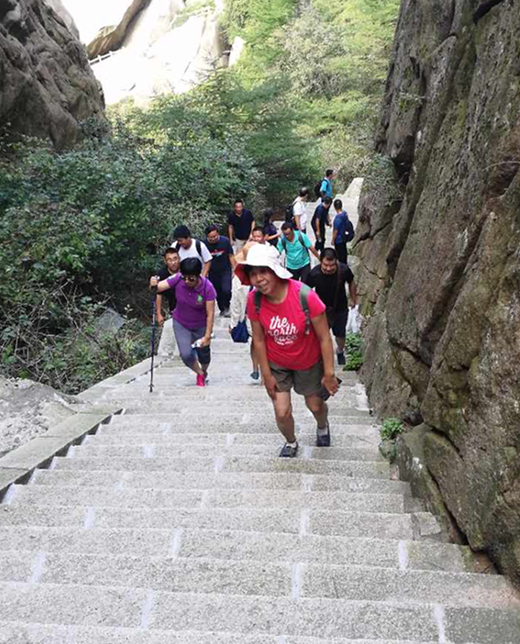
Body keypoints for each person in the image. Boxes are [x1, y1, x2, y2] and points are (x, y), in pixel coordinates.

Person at [235, 244, 339, 457]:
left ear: (275, 270)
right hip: (277, 363)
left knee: (315, 405)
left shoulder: (305, 296)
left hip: (307, 361)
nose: (258, 279)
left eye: (263, 271)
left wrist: (329, 373)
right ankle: (291, 442)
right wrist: (266, 374)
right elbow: (259, 340)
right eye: (253, 273)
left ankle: (322, 425)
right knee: (282, 412)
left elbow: (324, 338)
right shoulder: (254, 300)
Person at [150, 258, 216, 387]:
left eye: (191, 279)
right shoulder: (178, 278)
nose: (186, 281)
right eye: (185, 278)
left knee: (204, 354)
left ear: (198, 276)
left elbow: (210, 314)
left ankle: (204, 370)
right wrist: (153, 283)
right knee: (185, 354)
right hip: (181, 322)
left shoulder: (207, 288)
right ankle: (199, 373)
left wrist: (207, 335)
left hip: (200, 325)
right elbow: (158, 288)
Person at [306, 247, 357, 366]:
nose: (328, 268)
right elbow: (305, 290)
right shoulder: (314, 274)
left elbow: (351, 281)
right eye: (325, 265)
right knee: (321, 335)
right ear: (320, 262)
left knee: (340, 334)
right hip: (321, 310)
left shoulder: (343, 270)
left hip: (340, 307)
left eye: (332, 265)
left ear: (336, 262)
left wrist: (353, 299)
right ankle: (321, 358)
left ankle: (340, 350)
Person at [205, 225, 236, 317]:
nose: (213, 239)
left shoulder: (225, 241)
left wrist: (235, 269)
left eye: (215, 236)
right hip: (212, 272)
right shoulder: (204, 244)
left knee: (226, 289)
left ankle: (227, 305)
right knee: (217, 291)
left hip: (225, 270)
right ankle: (222, 309)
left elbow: (231, 255)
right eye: (211, 237)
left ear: (218, 234)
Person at [155, 247, 180, 327]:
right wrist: (159, 314)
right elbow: (158, 294)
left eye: (175, 259)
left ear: (179, 258)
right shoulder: (162, 274)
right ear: (165, 261)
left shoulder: (185, 269)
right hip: (174, 308)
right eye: (169, 260)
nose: (173, 262)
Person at [331, 199, 355, 264]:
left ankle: (341, 267)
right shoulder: (345, 213)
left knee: (340, 256)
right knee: (344, 254)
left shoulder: (337, 219)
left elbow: (335, 231)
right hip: (344, 237)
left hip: (338, 240)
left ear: (334, 207)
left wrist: (333, 240)